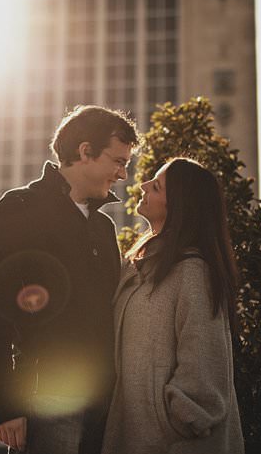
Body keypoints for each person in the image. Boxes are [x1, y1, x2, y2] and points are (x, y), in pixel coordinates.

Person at [0, 105, 138, 454]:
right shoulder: (20, 208)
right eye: (118, 161)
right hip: (44, 400)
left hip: (102, 407)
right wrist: (5, 403)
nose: (123, 174)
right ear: (85, 151)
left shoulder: (104, 228)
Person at [102, 157, 244, 454]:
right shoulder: (138, 269)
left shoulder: (194, 273)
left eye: (155, 186)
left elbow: (204, 375)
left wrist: (176, 421)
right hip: (132, 441)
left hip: (175, 445)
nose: (142, 186)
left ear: (179, 204)